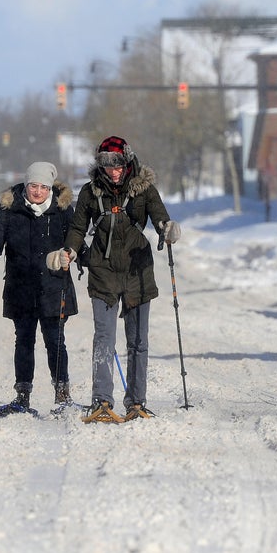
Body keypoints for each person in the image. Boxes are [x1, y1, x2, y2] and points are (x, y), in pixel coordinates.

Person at [46, 136, 180, 423]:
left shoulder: (144, 189)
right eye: (106, 164)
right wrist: (68, 251)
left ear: (127, 161)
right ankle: (101, 401)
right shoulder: (90, 192)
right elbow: (78, 227)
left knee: (138, 341)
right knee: (104, 339)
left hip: (137, 271)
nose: (113, 170)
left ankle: (136, 402)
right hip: (103, 271)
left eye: (117, 163)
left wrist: (167, 229)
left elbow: (160, 218)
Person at [0, 161, 78, 415]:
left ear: (50, 187)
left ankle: (62, 395)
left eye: (43, 186)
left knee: (56, 341)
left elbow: (76, 239)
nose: (38, 191)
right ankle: (22, 396)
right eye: (33, 186)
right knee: (24, 341)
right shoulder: (10, 208)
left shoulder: (62, 210)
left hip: (54, 287)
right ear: (26, 185)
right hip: (21, 287)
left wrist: (82, 256)